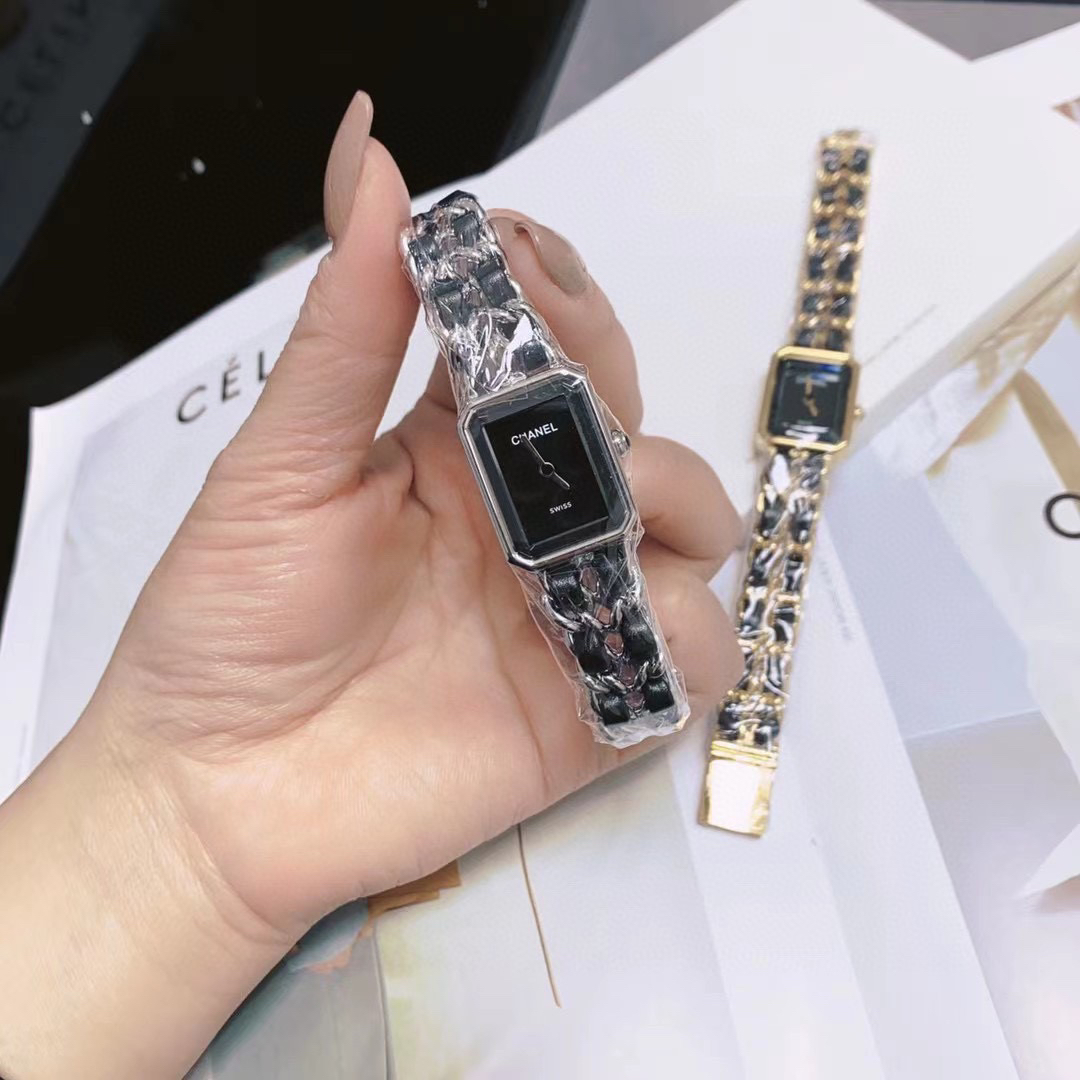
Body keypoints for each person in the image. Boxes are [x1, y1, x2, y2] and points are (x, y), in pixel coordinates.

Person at [0, 93, 743, 1080]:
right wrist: (178, 823)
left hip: (573, 543)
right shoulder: (497, 468)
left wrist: (176, 834)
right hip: (557, 553)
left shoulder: (532, 425)